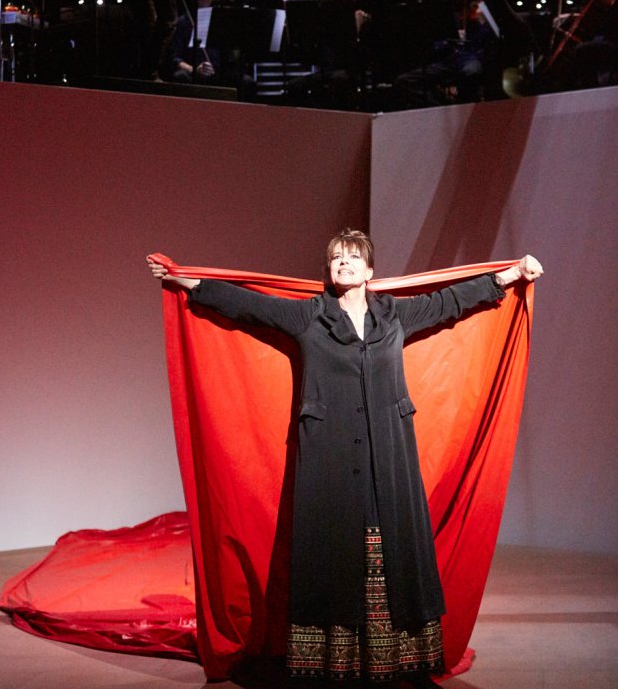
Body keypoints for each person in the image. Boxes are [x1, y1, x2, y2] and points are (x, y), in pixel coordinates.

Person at [148, 230, 543, 687]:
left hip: (389, 451)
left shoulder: (394, 314)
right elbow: (248, 304)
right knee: (333, 547)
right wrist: (189, 282)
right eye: (336, 258)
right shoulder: (309, 317)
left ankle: (393, 658)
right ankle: (333, 661)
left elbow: (449, 300)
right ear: (330, 272)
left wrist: (511, 274)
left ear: (371, 271)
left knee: (386, 546)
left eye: (353, 257)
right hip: (328, 452)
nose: (343, 262)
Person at [392, 0, 505, 108]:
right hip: (456, 57)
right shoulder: (457, 6)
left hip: (477, 56)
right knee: (405, 81)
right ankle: (442, 107)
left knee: (470, 73)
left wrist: (483, 22)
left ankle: (467, 108)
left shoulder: (487, 4)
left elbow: (495, 37)